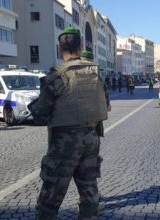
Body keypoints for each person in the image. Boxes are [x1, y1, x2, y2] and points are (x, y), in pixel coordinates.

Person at [28, 27, 110, 219]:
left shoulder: (56, 76)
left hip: (64, 143)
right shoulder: (96, 72)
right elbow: (106, 104)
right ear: (80, 47)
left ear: (59, 49)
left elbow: (40, 114)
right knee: (89, 191)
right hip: (91, 137)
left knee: (51, 194)